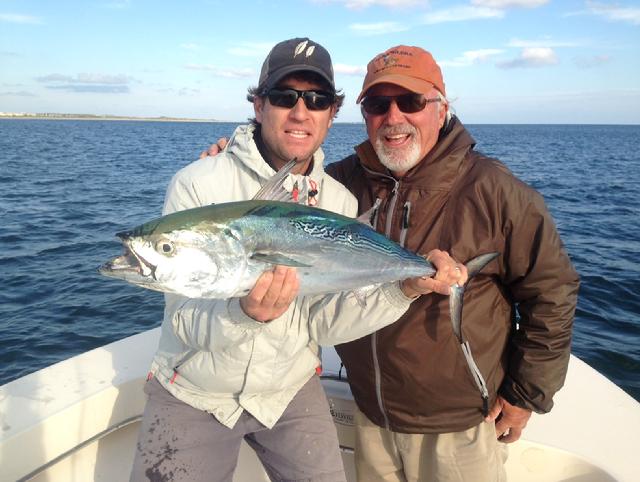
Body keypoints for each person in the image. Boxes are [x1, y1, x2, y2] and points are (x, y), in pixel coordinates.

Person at [130, 38, 466, 482]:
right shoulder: (198, 184)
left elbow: (325, 324)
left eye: (318, 99)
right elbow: (183, 322)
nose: (301, 112)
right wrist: (243, 314)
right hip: (194, 392)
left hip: (289, 392)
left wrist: (405, 287)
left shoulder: (339, 200)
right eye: (284, 97)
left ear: (332, 113)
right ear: (258, 104)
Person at [323, 45, 580, 481]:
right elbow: (276, 206)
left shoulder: (495, 190)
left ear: (441, 109)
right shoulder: (338, 182)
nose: (393, 117)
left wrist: (525, 395)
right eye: (378, 104)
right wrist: (231, 154)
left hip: (459, 427)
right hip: (369, 412)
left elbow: (551, 291)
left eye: (411, 102)